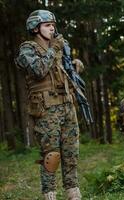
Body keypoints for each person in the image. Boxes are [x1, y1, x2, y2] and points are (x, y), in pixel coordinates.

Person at [15, 10, 83, 200]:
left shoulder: (59, 47)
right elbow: (38, 70)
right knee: (51, 155)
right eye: (47, 25)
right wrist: (54, 49)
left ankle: (73, 193)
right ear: (35, 28)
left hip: (67, 105)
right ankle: (49, 195)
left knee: (71, 153)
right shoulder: (27, 48)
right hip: (46, 108)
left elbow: (64, 71)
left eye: (53, 25)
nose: (52, 28)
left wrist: (74, 64)